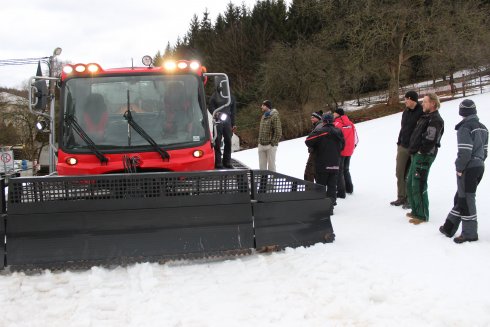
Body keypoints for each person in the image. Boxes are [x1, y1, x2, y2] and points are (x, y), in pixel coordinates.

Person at [439, 99, 488, 243]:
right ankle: (449, 227)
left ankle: (469, 233)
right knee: (461, 197)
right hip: (479, 166)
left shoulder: (465, 128)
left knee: (466, 199)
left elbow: (465, 152)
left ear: (462, 112)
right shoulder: (483, 127)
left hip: (468, 167)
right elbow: (485, 152)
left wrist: (460, 168)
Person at [405, 93, 444, 224]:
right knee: (410, 181)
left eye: (425, 102)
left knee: (419, 184)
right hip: (416, 154)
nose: (423, 104)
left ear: (433, 103)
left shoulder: (435, 120)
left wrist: (421, 151)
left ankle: (422, 215)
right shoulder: (425, 117)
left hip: (424, 156)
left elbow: (430, 139)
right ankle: (416, 211)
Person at [390, 91, 423, 207]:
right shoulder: (406, 112)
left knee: (411, 174)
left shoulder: (422, 112)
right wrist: (399, 142)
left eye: (406, 99)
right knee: (399, 172)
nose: (405, 101)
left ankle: (410, 198)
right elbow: (403, 128)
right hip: (403, 146)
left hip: (415, 148)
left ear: (412, 99)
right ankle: (401, 197)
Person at [305, 113, 344, 208]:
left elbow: (308, 140)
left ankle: (321, 205)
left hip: (322, 163)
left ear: (324, 121)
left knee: (321, 185)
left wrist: (315, 147)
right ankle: (331, 205)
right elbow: (343, 146)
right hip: (335, 163)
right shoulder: (338, 131)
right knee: (332, 186)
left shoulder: (321, 131)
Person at [209, 86, 236, 169]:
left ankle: (227, 161)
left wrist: (233, 123)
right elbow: (211, 107)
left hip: (227, 120)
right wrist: (216, 114)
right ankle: (218, 162)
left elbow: (233, 111)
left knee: (228, 141)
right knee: (217, 141)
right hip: (218, 120)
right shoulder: (214, 96)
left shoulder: (230, 96)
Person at [333, 108, 358, 197]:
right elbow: (356, 138)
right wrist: (352, 147)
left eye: (334, 113)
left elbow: (334, 139)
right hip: (349, 150)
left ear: (338, 114)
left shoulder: (336, 124)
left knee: (339, 171)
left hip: (341, 151)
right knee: (346, 170)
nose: (333, 115)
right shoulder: (351, 124)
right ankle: (349, 188)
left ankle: (341, 191)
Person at [258, 100, 282, 171]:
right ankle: (263, 182)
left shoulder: (275, 116)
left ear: (267, 106)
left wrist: (273, 144)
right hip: (261, 145)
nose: (261, 107)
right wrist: (259, 142)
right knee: (262, 167)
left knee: (271, 167)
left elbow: (278, 131)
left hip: (270, 146)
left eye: (263, 105)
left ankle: (272, 182)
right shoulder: (263, 116)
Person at [304, 110, 323, 182]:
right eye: (311, 117)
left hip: (316, 152)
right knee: (315, 171)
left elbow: (315, 140)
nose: (311, 119)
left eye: (313, 117)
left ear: (318, 118)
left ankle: (309, 190)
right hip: (317, 151)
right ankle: (318, 189)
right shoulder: (318, 125)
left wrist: (310, 144)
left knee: (309, 171)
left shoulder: (319, 126)